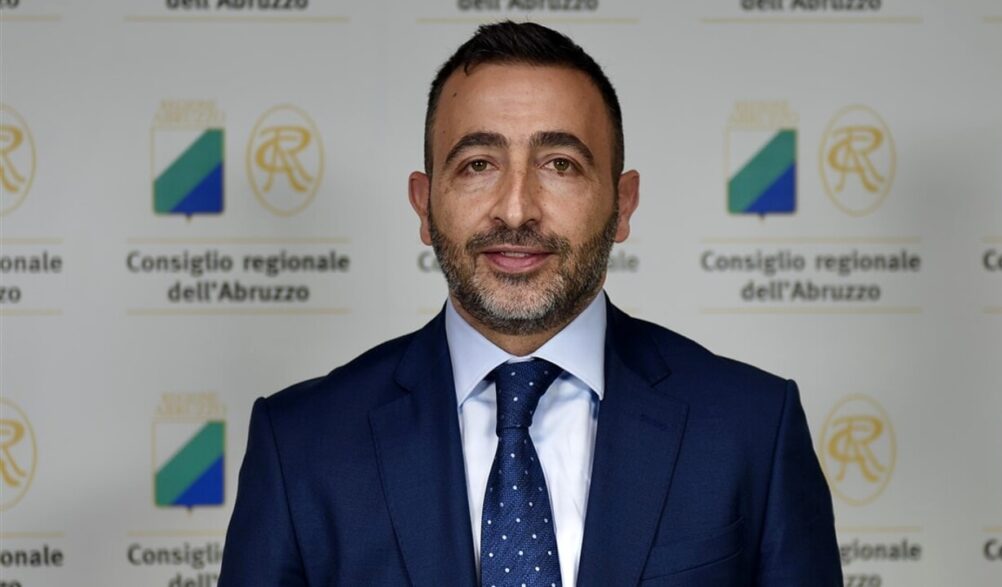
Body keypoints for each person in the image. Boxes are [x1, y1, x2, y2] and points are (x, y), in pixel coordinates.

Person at [219, 21, 843, 586]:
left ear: (623, 204)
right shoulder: (300, 444)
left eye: (560, 164)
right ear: (424, 205)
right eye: (478, 164)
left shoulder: (752, 429)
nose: (516, 210)